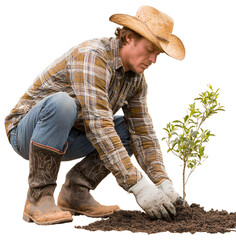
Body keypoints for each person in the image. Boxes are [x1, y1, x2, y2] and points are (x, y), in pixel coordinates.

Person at [5, 5, 185, 225]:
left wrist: (162, 182)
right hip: (28, 133)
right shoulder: (92, 56)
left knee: (129, 130)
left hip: (74, 136)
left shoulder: (136, 79)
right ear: (129, 38)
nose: (154, 60)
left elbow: (143, 132)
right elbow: (99, 126)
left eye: (158, 54)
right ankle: (38, 197)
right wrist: (137, 185)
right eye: (150, 50)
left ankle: (76, 192)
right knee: (63, 103)